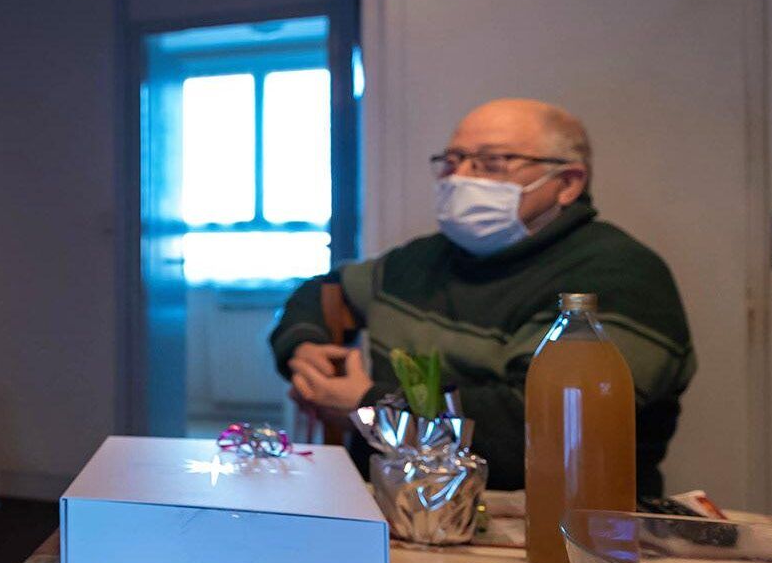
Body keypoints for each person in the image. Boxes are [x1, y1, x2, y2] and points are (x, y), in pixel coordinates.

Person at [272, 98, 695, 495]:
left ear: (567, 183)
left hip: (563, 520)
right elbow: (323, 291)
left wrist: (370, 407)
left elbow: (542, 433)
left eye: (492, 163)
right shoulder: (420, 261)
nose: (461, 177)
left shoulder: (619, 276)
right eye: (452, 161)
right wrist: (304, 346)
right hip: (391, 509)